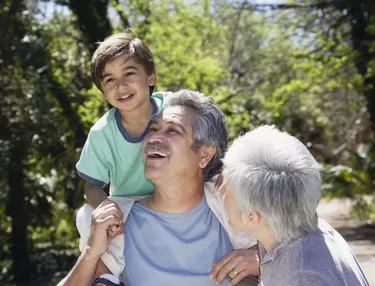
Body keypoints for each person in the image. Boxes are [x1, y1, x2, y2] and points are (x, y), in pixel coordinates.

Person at [59, 90, 260, 286]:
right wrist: (90, 254)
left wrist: (260, 258)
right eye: (153, 129)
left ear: (205, 155)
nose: (154, 138)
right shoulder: (116, 221)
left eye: (173, 131)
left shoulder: (233, 210)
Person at [221, 125, 370, 286]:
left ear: (252, 217)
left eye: (227, 191)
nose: (220, 190)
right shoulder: (306, 231)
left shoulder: (304, 277)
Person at [75, 32, 168, 275]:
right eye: (110, 80)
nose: (121, 86)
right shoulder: (102, 133)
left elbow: (207, 139)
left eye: (129, 73)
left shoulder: (175, 108)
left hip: (176, 198)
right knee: (86, 216)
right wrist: (109, 209)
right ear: (103, 93)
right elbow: (91, 187)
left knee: (222, 190)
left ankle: (251, 256)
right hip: (129, 206)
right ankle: (105, 275)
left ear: (151, 75)